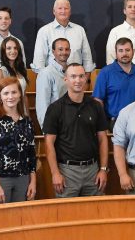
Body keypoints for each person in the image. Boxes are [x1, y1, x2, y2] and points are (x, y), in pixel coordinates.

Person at [43, 63, 109, 198]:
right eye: (73, 76)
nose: (78, 80)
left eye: (81, 76)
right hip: (67, 171)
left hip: (93, 170)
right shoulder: (55, 108)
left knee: (95, 210)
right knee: (66, 211)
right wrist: (55, 173)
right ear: (65, 79)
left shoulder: (96, 106)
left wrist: (103, 169)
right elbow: (49, 143)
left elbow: (103, 139)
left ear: (86, 78)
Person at [0, 77, 36, 205]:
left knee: (19, 217)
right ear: (0, 97)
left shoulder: (26, 122)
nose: (10, 97)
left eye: (14, 92)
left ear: (20, 95)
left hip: (23, 180)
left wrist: (33, 182)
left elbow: (31, 154)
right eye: (6, 93)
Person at [32, 0, 95, 76]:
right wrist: (43, 81)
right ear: (54, 11)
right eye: (60, 8)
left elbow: (87, 58)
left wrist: (85, 80)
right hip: (52, 79)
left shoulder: (80, 30)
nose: (63, 11)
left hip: (76, 79)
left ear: (70, 11)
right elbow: (39, 62)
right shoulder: (44, 31)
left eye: (66, 8)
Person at [93, 37, 135, 131]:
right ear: (116, 53)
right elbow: (98, 101)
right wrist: (102, 124)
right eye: (121, 50)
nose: (124, 54)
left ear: (133, 51)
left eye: (127, 50)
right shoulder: (105, 72)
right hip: (115, 122)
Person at [35, 38, 70, 131]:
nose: (64, 52)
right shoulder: (46, 73)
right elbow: (42, 106)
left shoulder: (71, 72)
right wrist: (47, 130)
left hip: (71, 124)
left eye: (67, 49)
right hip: (55, 126)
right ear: (53, 52)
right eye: (60, 49)